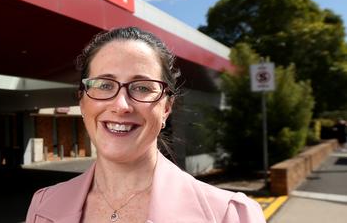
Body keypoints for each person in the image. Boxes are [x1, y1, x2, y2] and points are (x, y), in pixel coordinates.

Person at [26, 27, 265, 223]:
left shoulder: (231, 215)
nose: (121, 105)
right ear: (83, 100)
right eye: (104, 85)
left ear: (166, 108)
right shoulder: (43, 206)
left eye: (141, 87)